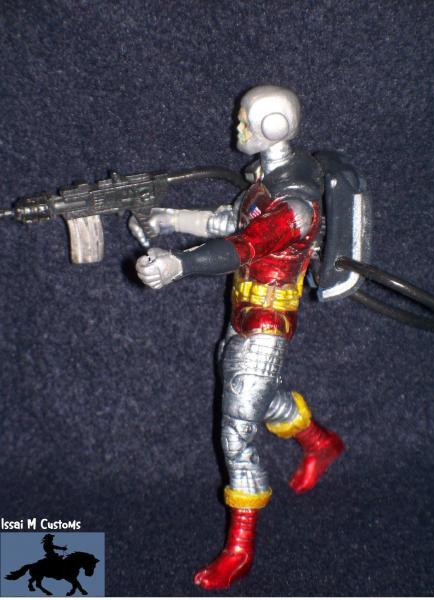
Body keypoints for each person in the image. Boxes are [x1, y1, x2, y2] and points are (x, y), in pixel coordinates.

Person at [131, 85, 344, 590]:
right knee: (258, 402)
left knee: (236, 433)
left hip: (265, 325)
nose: (238, 127)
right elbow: (228, 221)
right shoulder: (267, 182)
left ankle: (240, 549)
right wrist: (168, 220)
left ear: (272, 128)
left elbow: (242, 247)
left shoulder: (294, 205)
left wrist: (178, 265)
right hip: (242, 316)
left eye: (246, 120)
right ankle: (322, 443)